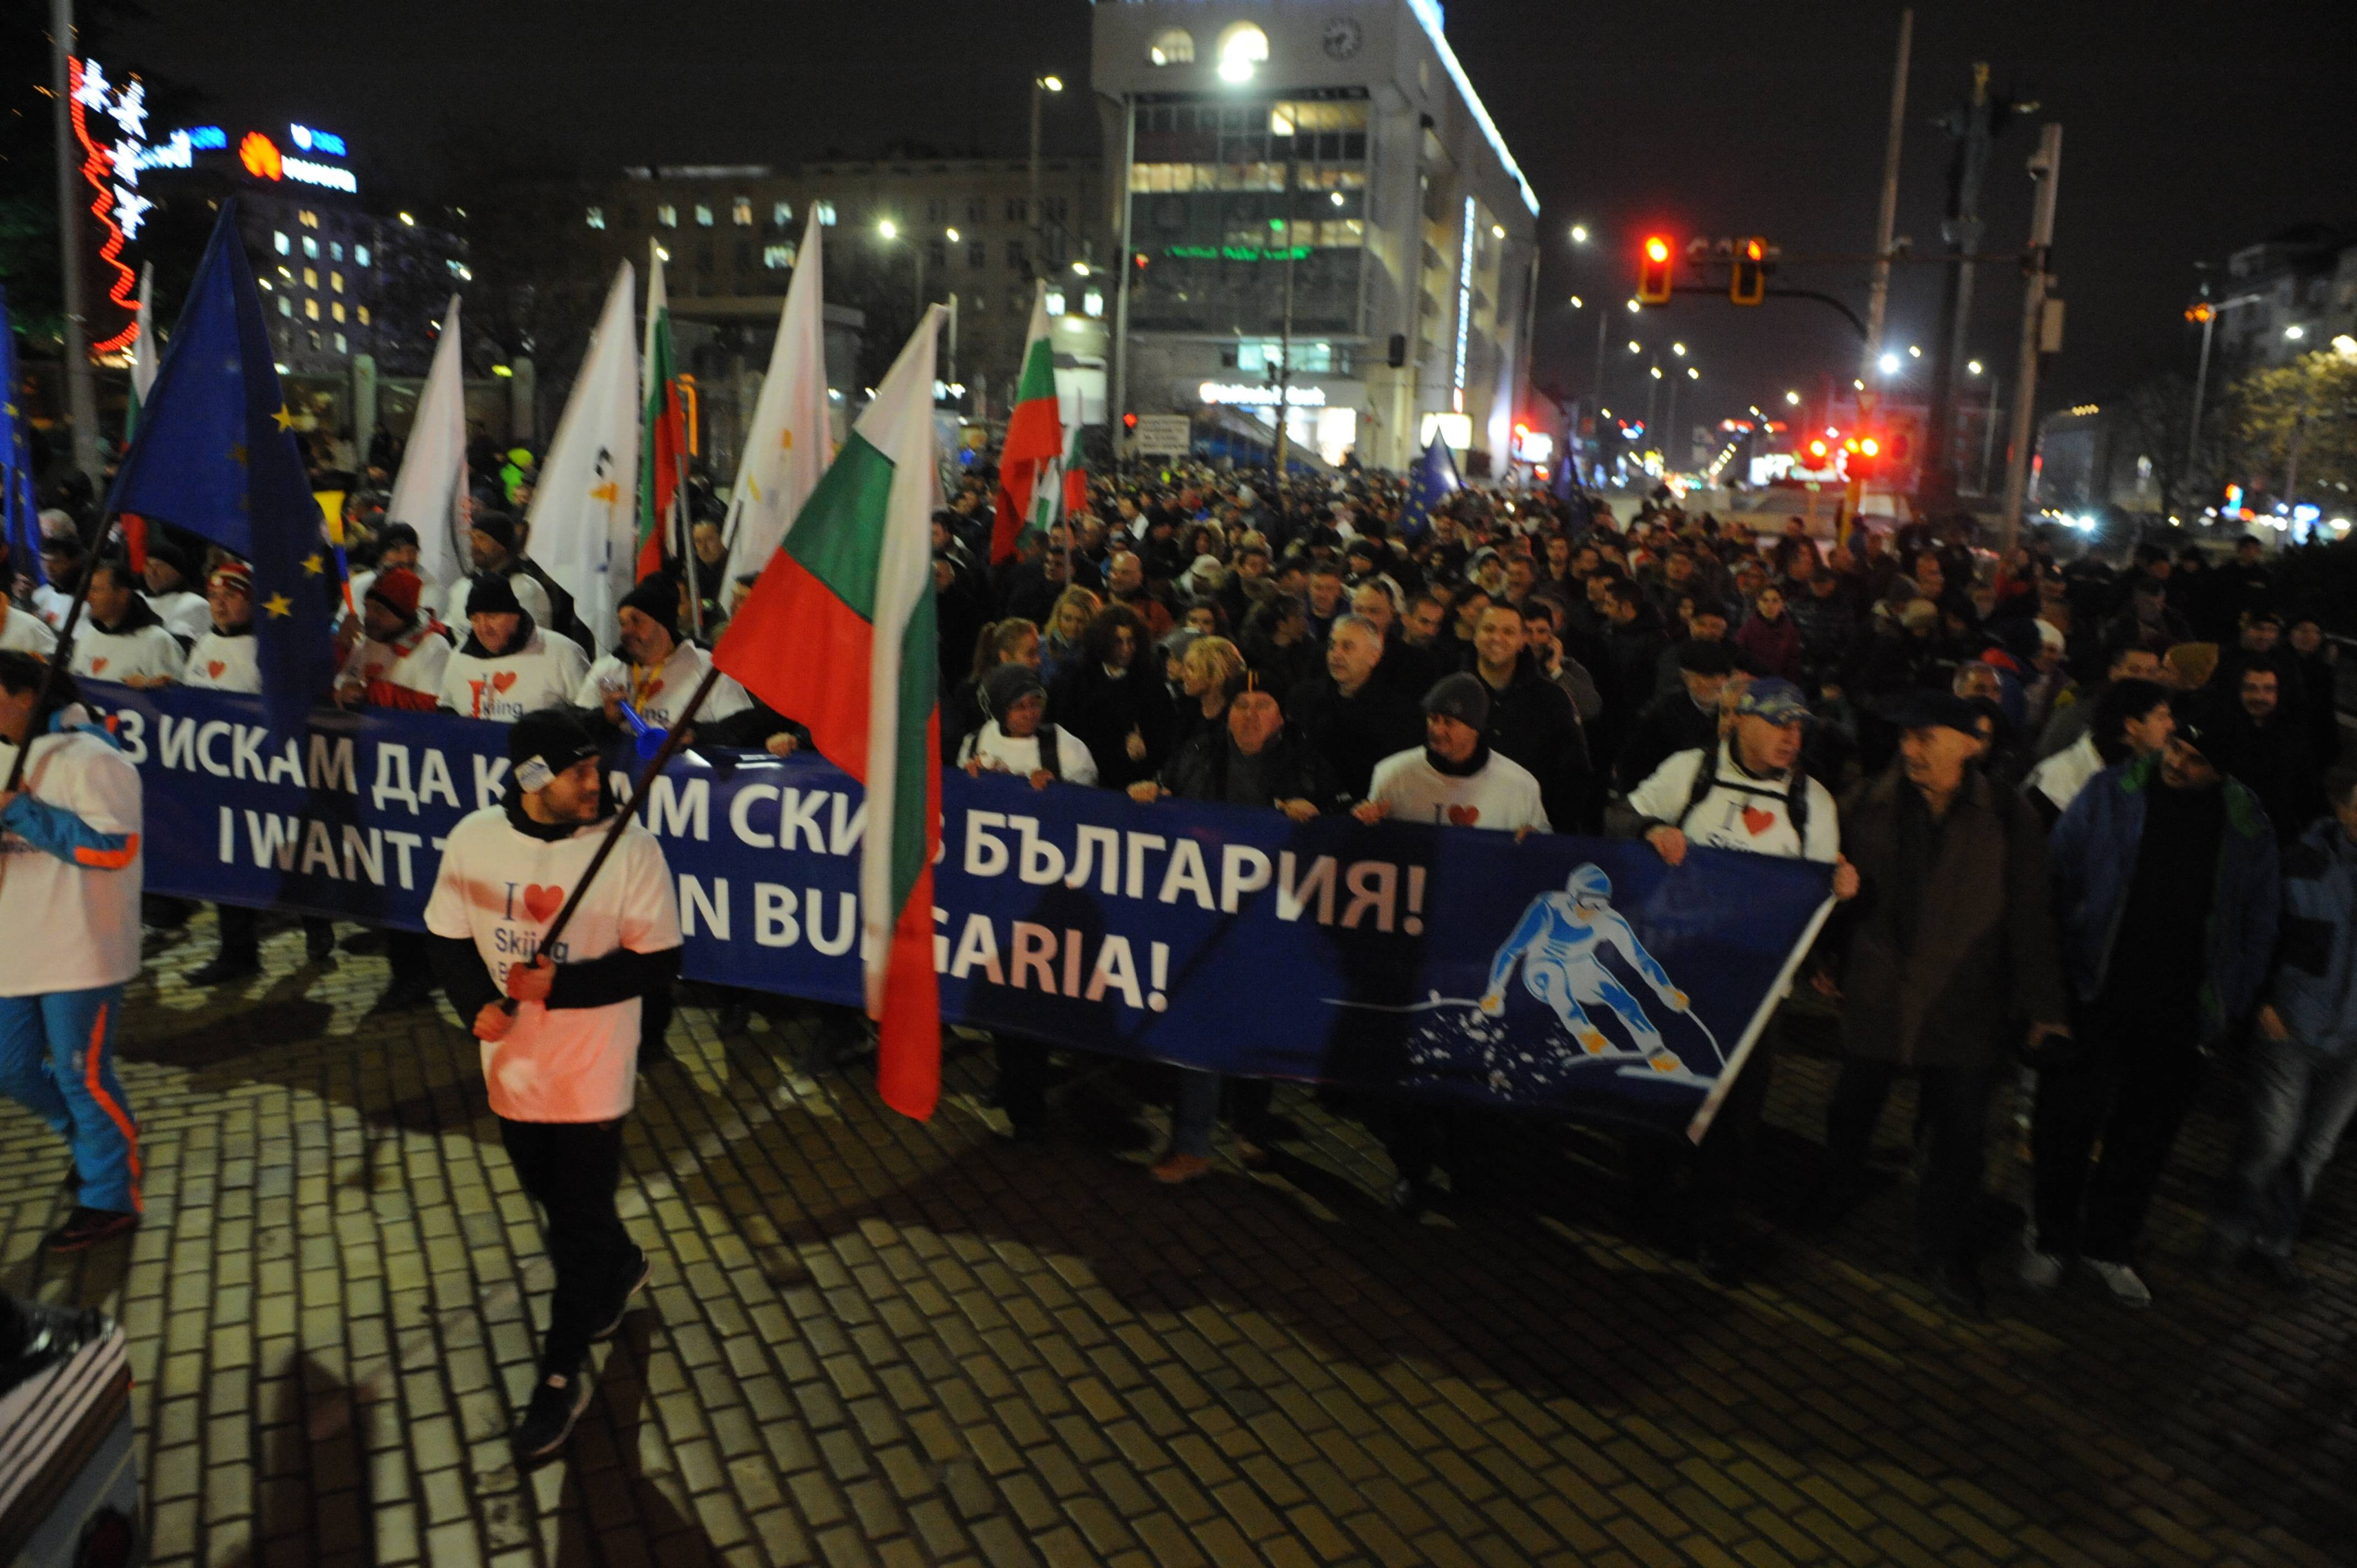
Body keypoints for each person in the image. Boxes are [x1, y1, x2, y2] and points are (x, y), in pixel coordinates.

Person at [424, 708, 683, 1463]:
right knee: (558, 1200)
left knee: (570, 1226)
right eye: (579, 772)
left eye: (598, 769)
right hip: (513, 1072)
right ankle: (620, 1262)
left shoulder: (630, 850)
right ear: (532, 778)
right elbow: (444, 937)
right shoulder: (472, 840)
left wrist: (558, 985)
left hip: (592, 1070)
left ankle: (558, 1377)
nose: (596, 783)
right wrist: (473, 1001)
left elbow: (659, 961)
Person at [1815, 691, 2071, 1317]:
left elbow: (2029, 919)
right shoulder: (1867, 803)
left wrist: (2045, 1007)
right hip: (1879, 993)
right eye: (1906, 737)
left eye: (1926, 738)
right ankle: (1831, 1196)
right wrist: (1825, 955)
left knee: (1957, 1141)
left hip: (1965, 1004)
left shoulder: (2009, 818)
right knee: (1851, 1107)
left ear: (1968, 744)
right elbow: (1828, 881)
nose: (1910, 749)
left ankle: (1940, 1250)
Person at [2029, 698, 2279, 1308]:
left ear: (2222, 771)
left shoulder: (2247, 825)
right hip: (2096, 994)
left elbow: (2257, 923)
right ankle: (2048, 1236)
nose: (2175, 762)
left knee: (2143, 1140)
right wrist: (2050, 985)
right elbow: (2055, 876)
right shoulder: (2111, 793)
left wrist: (2228, 1004)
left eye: (2194, 760)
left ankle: (2107, 1245)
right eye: (2174, 748)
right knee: (2065, 1123)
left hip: (2178, 1017)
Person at [1623, 679, 1856, 1283]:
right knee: (1660, 1085)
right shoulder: (1690, 770)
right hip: (1676, 972)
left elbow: (1821, 892)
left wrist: (1841, 891)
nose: (1790, 737)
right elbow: (1622, 814)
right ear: (1739, 723)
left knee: (1734, 1116)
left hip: (1756, 989)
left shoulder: (1812, 800)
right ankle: (1644, 1195)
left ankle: (1713, 1225)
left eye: (1798, 727)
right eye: (1778, 724)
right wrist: (1650, 832)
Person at [1132, 676, 1343, 1184]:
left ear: (1280, 717)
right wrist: (1150, 794)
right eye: (1240, 705)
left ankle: (1250, 1129)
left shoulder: (1308, 762)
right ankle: (1191, 1144)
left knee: (1256, 1027)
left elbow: (1344, 826)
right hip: (1206, 919)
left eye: (1262, 705)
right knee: (1200, 1030)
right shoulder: (1198, 752)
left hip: (1274, 925)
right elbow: (1166, 793)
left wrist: (1317, 816)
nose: (1249, 715)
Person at [0, 652, 145, 1252]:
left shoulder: (95, 759)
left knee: (84, 1075)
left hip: (82, 946)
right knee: (10, 1067)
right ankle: (94, 1143)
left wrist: (25, 814)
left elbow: (113, 847)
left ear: (26, 696)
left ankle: (109, 1196)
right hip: (14, 945)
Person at [2206, 765, 2357, 1291]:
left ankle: (2273, 1244)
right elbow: (2256, 928)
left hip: (2352, 1040)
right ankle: (2227, 1236)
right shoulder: (2300, 863)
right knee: (2271, 1141)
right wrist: (2263, 998)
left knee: (2313, 1149)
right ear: (2342, 808)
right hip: (2291, 1028)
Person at [181, 563, 338, 979]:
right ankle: (238, 954)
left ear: (251, 601)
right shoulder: (203, 646)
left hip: (268, 782)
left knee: (289, 858)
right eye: (214, 597)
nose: (220, 604)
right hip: (219, 784)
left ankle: (316, 922)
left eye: (230, 596)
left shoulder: (270, 651)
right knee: (226, 867)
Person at [574, 575, 756, 743]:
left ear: (662, 624)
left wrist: (695, 733)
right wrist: (605, 719)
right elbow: (573, 729)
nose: (626, 632)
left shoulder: (706, 666)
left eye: (636, 621)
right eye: (622, 623)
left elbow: (742, 729)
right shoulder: (607, 669)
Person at [1357, 674, 1550, 834]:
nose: (1438, 731)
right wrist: (1365, 820)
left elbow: (1544, 851)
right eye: (1433, 719)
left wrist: (1537, 840)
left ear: (1475, 729)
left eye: (1449, 722)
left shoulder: (1519, 785)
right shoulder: (1393, 774)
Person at [1468, 603, 1591, 834]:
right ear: (1475, 635)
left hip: (1528, 832)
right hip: (1459, 826)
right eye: (1489, 629)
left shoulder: (1552, 699)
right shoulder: (1453, 693)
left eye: (1508, 632)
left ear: (1523, 640)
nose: (1497, 638)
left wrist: (1550, 826)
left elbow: (1574, 771)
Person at [1288, 616, 1423, 801]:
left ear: (1374, 656)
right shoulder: (1305, 699)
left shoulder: (1400, 714)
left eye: (1348, 647)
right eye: (1332, 646)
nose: (1336, 654)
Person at [1045, 605, 1171, 792]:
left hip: (1128, 787)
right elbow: (1057, 726)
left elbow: (1166, 734)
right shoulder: (1073, 677)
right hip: (1076, 782)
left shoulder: (1149, 680)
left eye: (1131, 641)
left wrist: (1147, 748)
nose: (1127, 649)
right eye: (1118, 642)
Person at [438, 574, 591, 723]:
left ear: (516, 615)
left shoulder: (563, 652)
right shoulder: (459, 656)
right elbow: (446, 706)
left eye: (492, 617)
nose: (484, 628)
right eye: (475, 620)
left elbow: (591, 715)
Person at [2021, 677, 2173, 828]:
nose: (2171, 726)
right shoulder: (2062, 775)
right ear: (2132, 726)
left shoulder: (2135, 769)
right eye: (2161, 717)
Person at [2221, 664, 2323, 844]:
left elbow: (2310, 796)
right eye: (2250, 688)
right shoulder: (2219, 732)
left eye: (2268, 689)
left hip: (2274, 841)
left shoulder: (2294, 740)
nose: (2260, 697)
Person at [1617, 640, 1735, 795]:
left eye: (1724, 677)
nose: (1719, 684)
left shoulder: (1735, 713)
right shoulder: (1662, 714)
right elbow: (1634, 766)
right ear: (1687, 678)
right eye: (1709, 676)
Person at [957, 662, 1098, 786]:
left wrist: (1058, 787)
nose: (1030, 714)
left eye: (1035, 704)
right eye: (1020, 707)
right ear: (1000, 710)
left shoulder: (1065, 746)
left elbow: (1087, 803)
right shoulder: (975, 745)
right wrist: (970, 781)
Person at [333, 567, 451, 713]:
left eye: (379, 609)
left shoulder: (434, 647)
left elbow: (430, 706)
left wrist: (368, 693)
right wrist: (340, 647)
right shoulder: (367, 641)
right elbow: (333, 684)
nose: (369, 617)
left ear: (402, 614)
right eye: (367, 607)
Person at [68, 558, 186, 687]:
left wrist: (150, 686)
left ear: (122, 595)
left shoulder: (157, 642)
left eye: (95, 590)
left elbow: (176, 697)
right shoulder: (87, 636)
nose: (87, 598)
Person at [440, 513, 555, 631]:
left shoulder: (528, 590)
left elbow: (531, 637)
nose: (474, 546)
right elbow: (451, 625)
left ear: (502, 545)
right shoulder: (462, 586)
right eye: (472, 539)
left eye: (481, 539)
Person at [139, 541, 214, 643]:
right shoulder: (139, 598)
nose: (151, 572)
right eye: (148, 564)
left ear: (178, 572)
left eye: (159, 565)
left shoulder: (194, 603)